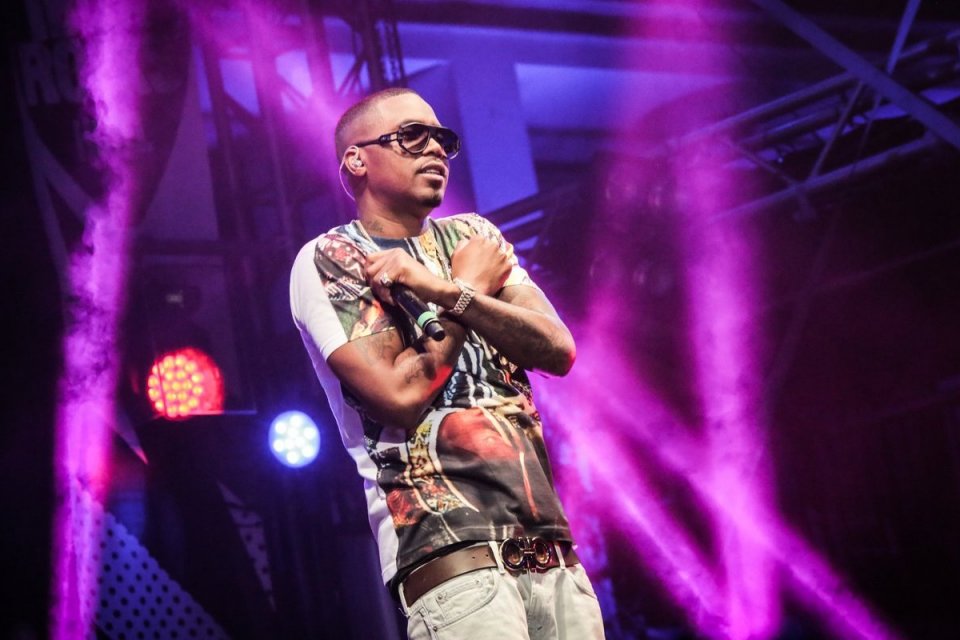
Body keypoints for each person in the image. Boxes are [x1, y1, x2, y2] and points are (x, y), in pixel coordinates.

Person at [290, 87, 605, 639]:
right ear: (357, 160)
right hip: (455, 565)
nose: (435, 148)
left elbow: (558, 350)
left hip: (557, 559)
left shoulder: (474, 237)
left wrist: (449, 291)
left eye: (442, 138)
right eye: (412, 136)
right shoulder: (336, 256)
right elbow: (399, 398)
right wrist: (469, 288)